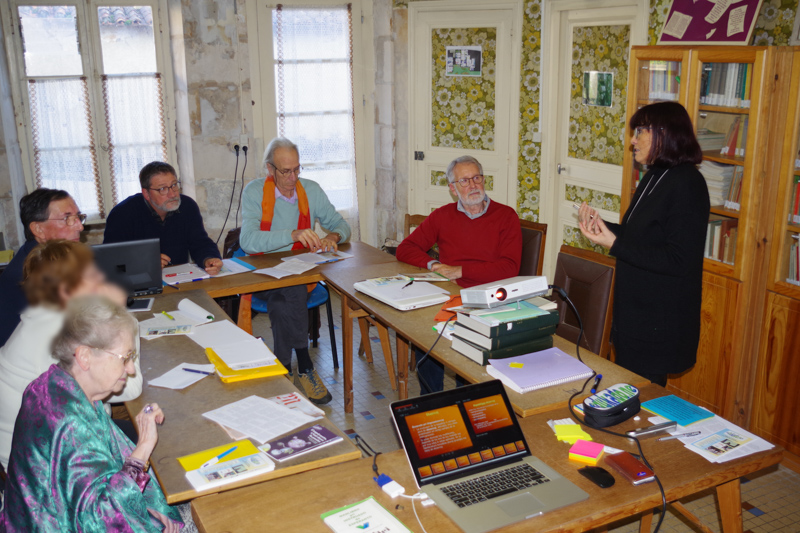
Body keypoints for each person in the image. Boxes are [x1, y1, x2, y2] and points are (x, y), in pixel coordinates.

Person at [0, 295, 182, 532]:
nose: (129, 368)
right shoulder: (69, 422)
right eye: (125, 357)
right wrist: (144, 448)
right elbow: (100, 521)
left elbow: (102, 467)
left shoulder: (52, 384)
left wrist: (141, 507)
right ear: (85, 357)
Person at [577, 101, 710, 386]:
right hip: (635, 315)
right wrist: (601, 226)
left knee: (641, 405)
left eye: (640, 132)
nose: (633, 141)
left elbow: (678, 259)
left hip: (658, 323)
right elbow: (640, 236)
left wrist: (614, 243)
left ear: (664, 134)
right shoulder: (656, 175)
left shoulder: (688, 183)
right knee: (624, 393)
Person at [0, 240, 141, 469]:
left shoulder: (44, 316)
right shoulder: (61, 333)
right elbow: (131, 387)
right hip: (46, 467)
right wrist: (123, 321)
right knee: (158, 440)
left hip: (56, 440)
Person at [396, 155, 522, 393]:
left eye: (477, 178)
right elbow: (405, 249)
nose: (473, 185)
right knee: (425, 330)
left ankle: (470, 398)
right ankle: (432, 398)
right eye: (464, 181)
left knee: (468, 345)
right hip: (452, 295)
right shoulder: (442, 216)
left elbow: (509, 268)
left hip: (491, 299)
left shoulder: (506, 216)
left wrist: (461, 270)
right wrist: (434, 265)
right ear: (453, 189)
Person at [240, 137, 351, 404]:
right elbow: (248, 241)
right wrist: (292, 234)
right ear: (270, 169)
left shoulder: (310, 190)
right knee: (289, 289)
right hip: (262, 273)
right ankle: (305, 364)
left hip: (299, 273)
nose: (293, 177)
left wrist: (332, 238)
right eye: (285, 171)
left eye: (297, 169)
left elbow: (341, 225)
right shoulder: (254, 191)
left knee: (285, 297)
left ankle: (284, 368)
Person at [103, 161, 222, 275]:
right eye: (162, 189)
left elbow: (200, 242)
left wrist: (209, 259)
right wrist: (142, 262)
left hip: (181, 279)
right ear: (146, 194)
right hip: (138, 283)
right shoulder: (122, 213)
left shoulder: (187, 206)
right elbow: (110, 259)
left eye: (174, 185)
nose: (172, 194)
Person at [0, 188, 85, 346]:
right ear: (38, 229)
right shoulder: (34, 270)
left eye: (78, 217)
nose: (79, 227)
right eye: (67, 219)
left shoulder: (49, 256)